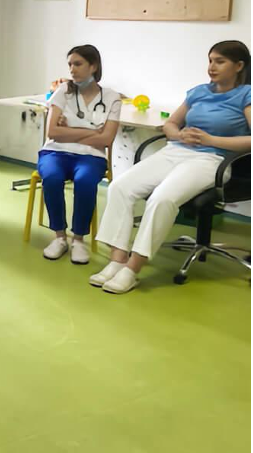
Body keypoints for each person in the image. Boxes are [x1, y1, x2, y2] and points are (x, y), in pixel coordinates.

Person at [91, 40, 251, 294]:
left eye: (220, 61)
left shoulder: (246, 95)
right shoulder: (198, 91)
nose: (211, 67)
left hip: (213, 160)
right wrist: (178, 135)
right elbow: (171, 124)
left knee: (162, 199)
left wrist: (211, 141)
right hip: (176, 151)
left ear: (239, 65)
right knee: (120, 187)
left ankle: (132, 269)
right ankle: (117, 260)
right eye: (210, 60)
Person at [36, 45, 121, 264]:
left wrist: (69, 132)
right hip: (55, 152)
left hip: (91, 156)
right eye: (70, 64)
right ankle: (60, 237)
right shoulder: (63, 91)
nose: (72, 70)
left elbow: (106, 140)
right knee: (52, 179)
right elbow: (52, 133)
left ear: (93, 66)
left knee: (85, 181)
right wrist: (91, 131)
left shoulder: (111, 97)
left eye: (78, 64)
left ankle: (79, 240)